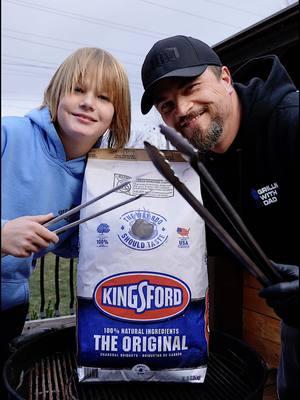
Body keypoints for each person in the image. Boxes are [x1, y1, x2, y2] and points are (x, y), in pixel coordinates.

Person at [140, 35, 299, 399]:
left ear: (225, 78)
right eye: (166, 104)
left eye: (191, 87)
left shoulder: (292, 123)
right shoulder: (201, 167)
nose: (181, 108)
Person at [0, 47, 131, 395]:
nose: (89, 102)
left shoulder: (97, 176)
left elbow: (75, 247)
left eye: (103, 96)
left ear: (116, 114)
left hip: (8, 308)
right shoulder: (8, 135)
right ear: (56, 93)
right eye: (77, 89)